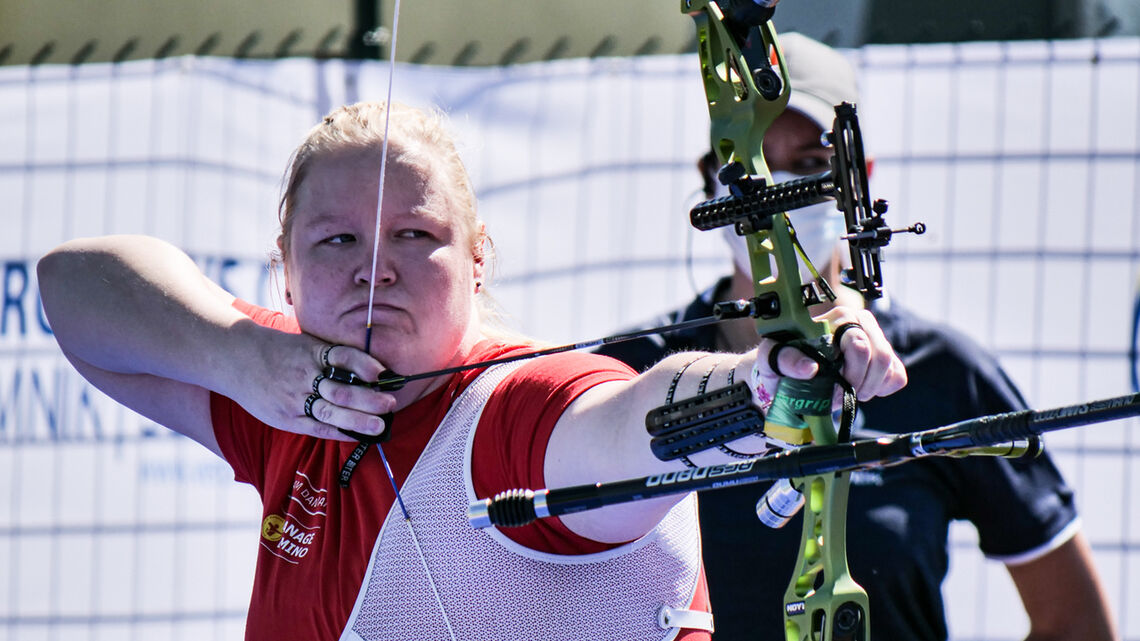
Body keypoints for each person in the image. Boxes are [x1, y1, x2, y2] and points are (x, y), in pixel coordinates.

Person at [36, 100, 905, 641]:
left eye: (416, 235)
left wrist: (759, 389)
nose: (375, 268)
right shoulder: (289, 387)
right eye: (337, 240)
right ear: (285, 269)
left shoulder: (510, 412)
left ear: (477, 261)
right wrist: (241, 354)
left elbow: (625, 425)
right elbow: (69, 286)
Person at [596, 33, 1116, 641]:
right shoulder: (626, 377)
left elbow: (1076, 622)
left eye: (811, 166)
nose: (775, 195)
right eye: (752, 166)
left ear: (855, 177)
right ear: (712, 179)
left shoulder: (942, 370)